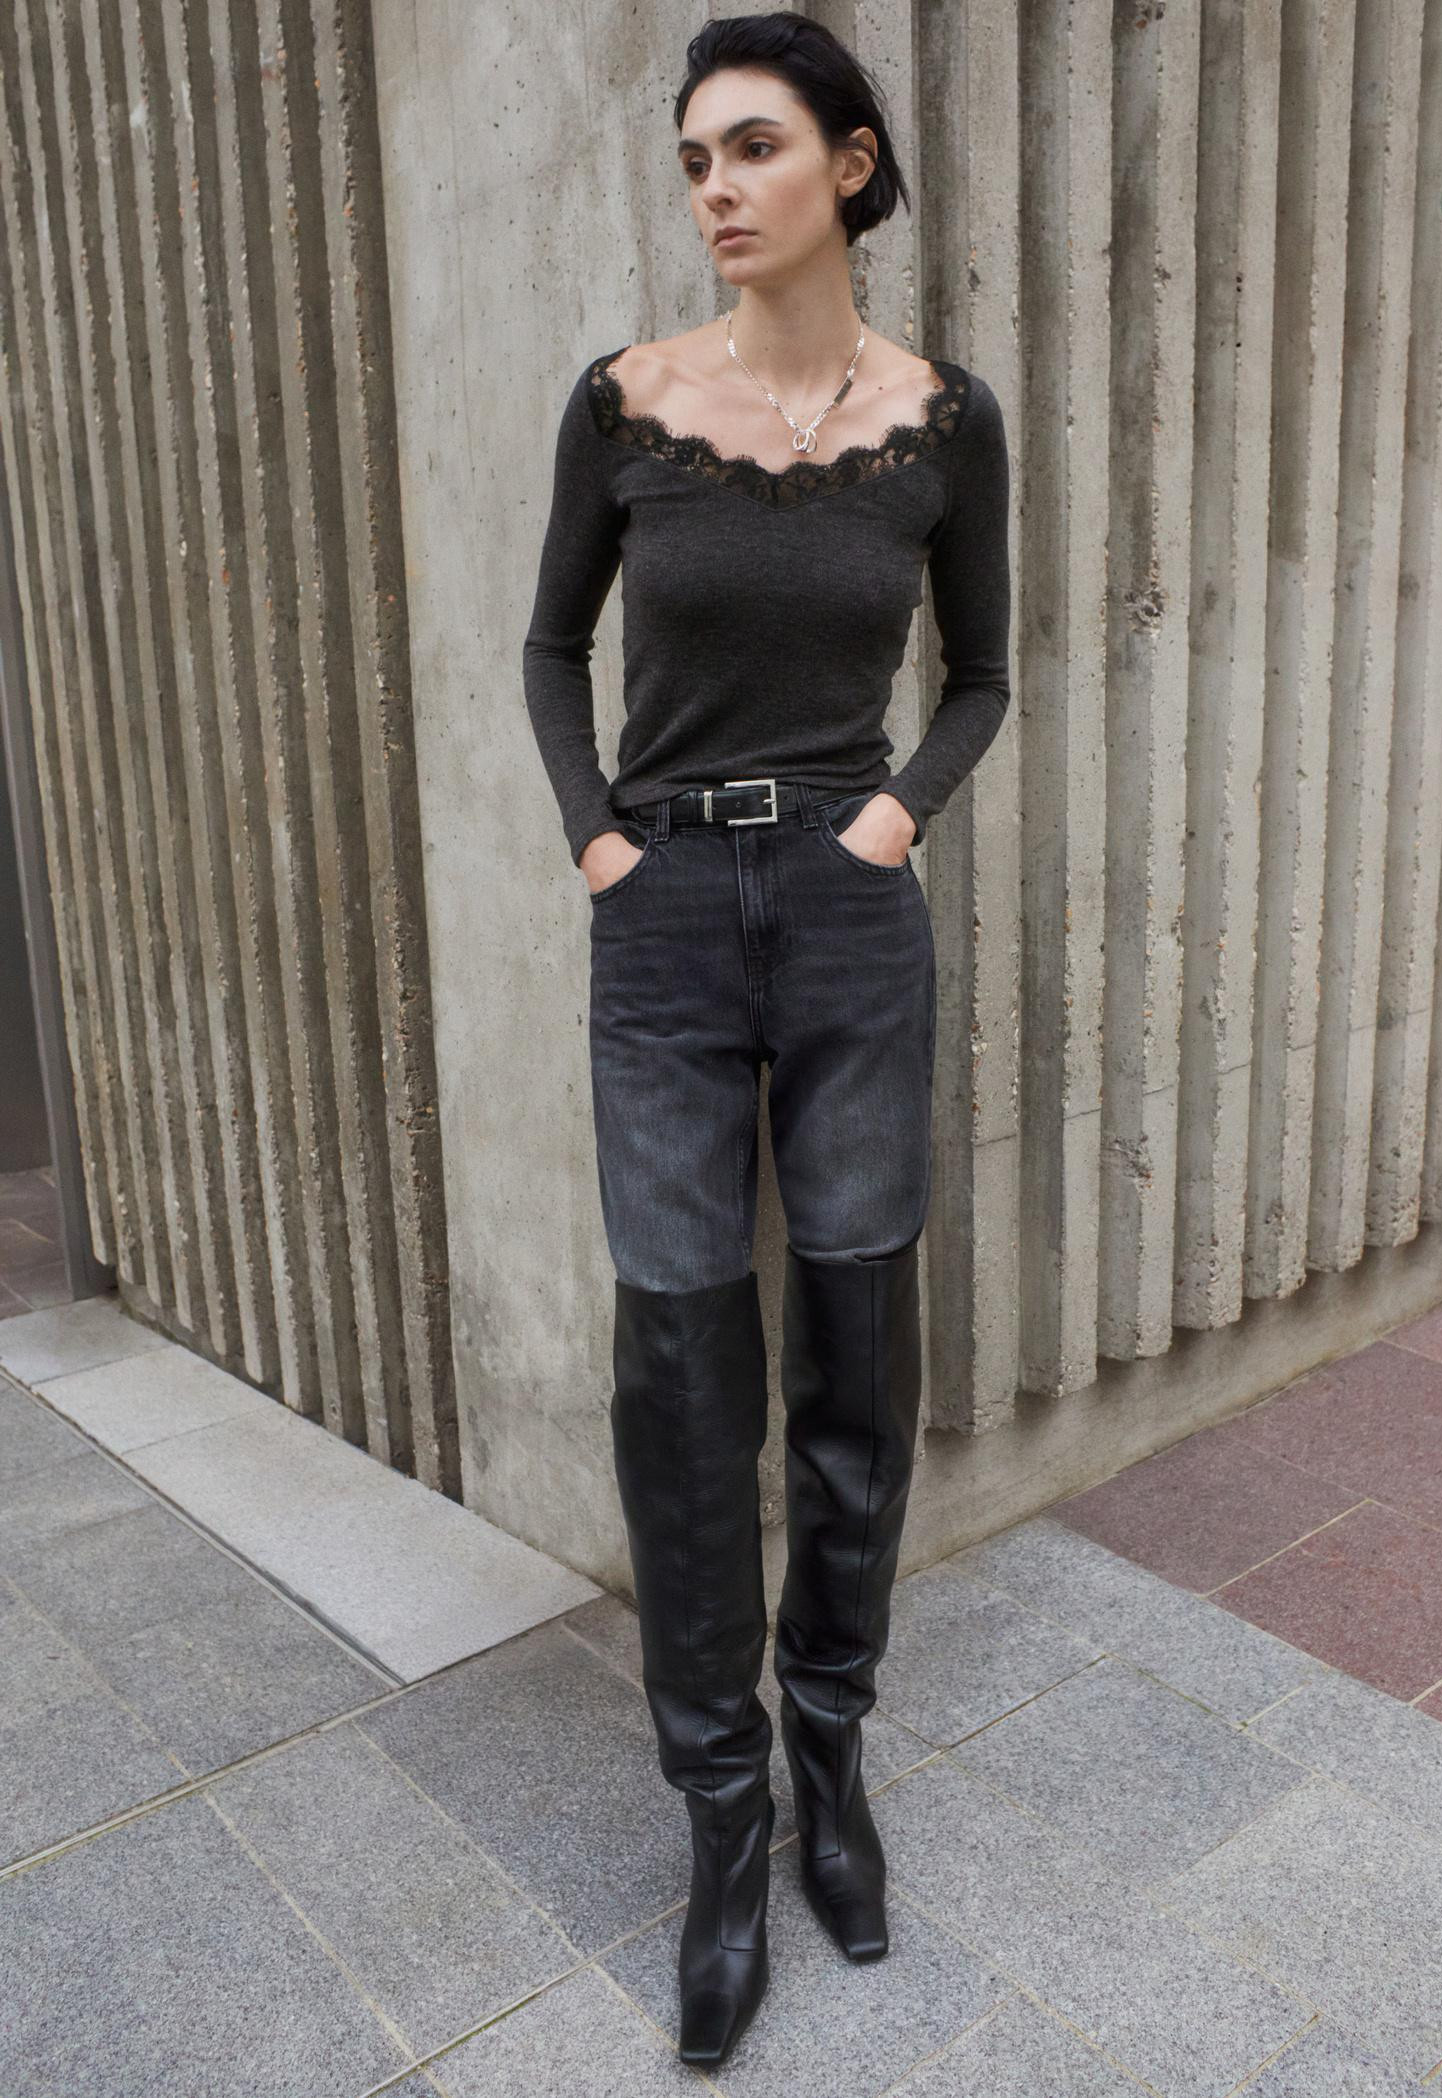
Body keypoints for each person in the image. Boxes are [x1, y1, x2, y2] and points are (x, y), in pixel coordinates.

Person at [521, 12, 1011, 2069]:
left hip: (846, 910)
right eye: (694, 159)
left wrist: (892, 818)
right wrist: (601, 843)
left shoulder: (942, 420)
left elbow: (982, 671)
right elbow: (550, 643)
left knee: (856, 1354)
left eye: (751, 148)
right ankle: (724, 1819)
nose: (715, 188)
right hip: (662, 922)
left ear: (852, 163)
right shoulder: (627, 400)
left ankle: (831, 1753)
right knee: (678, 1362)